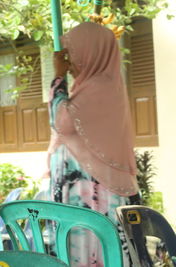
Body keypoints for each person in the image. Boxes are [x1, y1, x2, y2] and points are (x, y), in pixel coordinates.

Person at [47, 22, 140, 266]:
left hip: (95, 197)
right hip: (84, 194)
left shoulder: (100, 87)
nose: (71, 61)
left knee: (92, 256)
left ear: (90, 54)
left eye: (74, 53)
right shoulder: (89, 88)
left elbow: (62, 122)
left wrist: (58, 76)